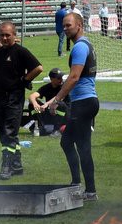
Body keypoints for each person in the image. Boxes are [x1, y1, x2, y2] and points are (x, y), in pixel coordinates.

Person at [39, 12, 99, 200]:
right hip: (85, 102)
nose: (65, 29)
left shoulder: (80, 47)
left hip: (84, 102)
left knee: (82, 147)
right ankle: (78, 185)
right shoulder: (85, 45)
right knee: (68, 142)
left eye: (68, 25)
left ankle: (89, 191)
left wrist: (56, 100)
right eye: (63, 26)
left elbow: (74, 77)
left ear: (79, 25)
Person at [0, 22, 42, 179]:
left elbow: (38, 68)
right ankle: (17, 165)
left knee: (9, 131)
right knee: (3, 131)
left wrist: (24, 80)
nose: (4, 38)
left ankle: (6, 166)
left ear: (14, 35)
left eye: (8, 35)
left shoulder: (20, 51)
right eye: (2, 35)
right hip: (0, 97)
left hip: (15, 97)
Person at [26, 67, 67, 136]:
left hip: (65, 114)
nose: (61, 80)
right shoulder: (47, 87)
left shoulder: (64, 87)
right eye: (58, 78)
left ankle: (57, 129)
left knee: (59, 104)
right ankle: (38, 126)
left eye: (61, 77)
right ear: (51, 79)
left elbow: (59, 97)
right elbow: (32, 96)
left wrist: (47, 104)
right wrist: (35, 104)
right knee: (31, 104)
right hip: (51, 112)